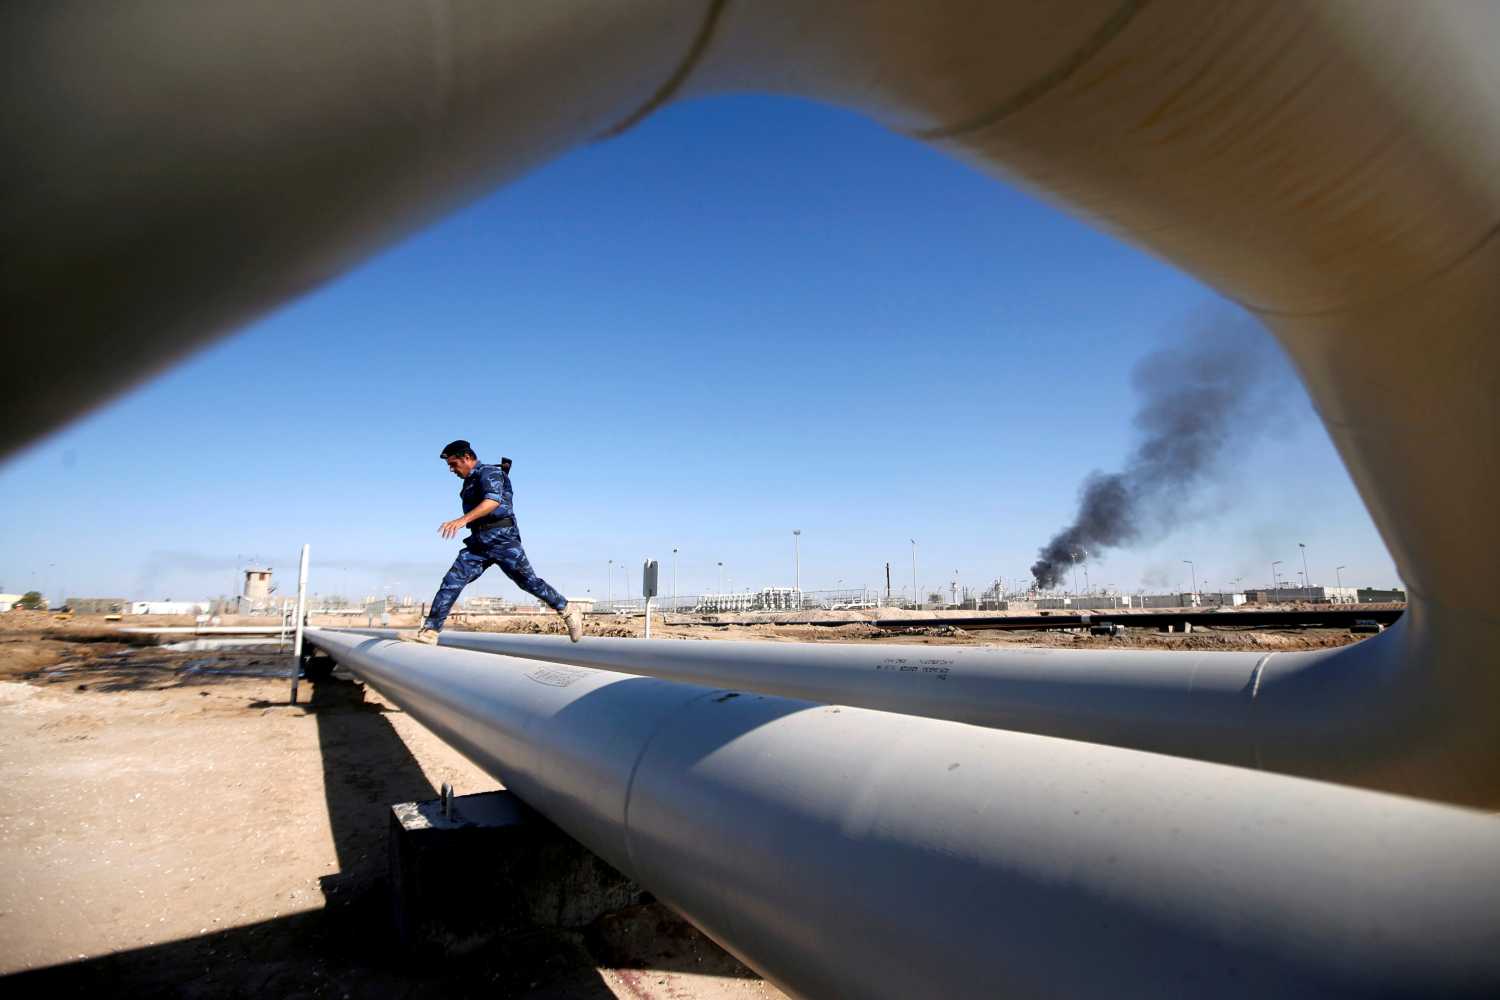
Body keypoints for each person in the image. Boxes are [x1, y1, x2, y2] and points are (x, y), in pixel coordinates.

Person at [402, 440, 582, 644]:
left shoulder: (489, 473)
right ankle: (430, 632)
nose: (452, 470)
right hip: (478, 543)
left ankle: (567, 609)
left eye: (454, 464)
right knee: (451, 582)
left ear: (467, 458)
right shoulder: (468, 482)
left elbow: (492, 501)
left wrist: (461, 520)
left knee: (528, 582)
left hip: (502, 539)